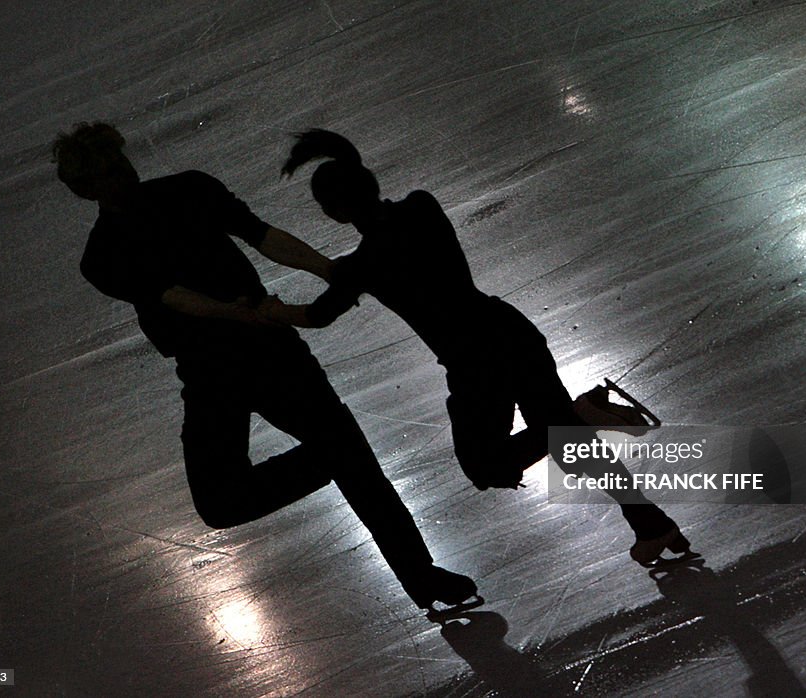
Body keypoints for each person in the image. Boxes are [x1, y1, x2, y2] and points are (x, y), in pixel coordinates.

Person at [52, 122, 476, 611]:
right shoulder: (102, 256)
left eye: (121, 161)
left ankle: (581, 430)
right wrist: (244, 312)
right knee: (223, 500)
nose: (124, 173)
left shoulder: (190, 188)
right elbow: (175, 297)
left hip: (266, 351)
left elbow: (261, 235)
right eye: (109, 171)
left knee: (487, 458)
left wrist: (328, 270)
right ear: (85, 190)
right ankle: (340, 459)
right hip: (214, 369)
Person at [265, 129, 691, 566]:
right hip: (508, 331)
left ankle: (582, 417)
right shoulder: (421, 207)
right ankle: (651, 525)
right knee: (571, 443)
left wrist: (266, 311)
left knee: (487, 465)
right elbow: (383, 255)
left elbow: (317, 316)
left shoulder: (362, 265)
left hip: (474, 363)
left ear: (335, 211)